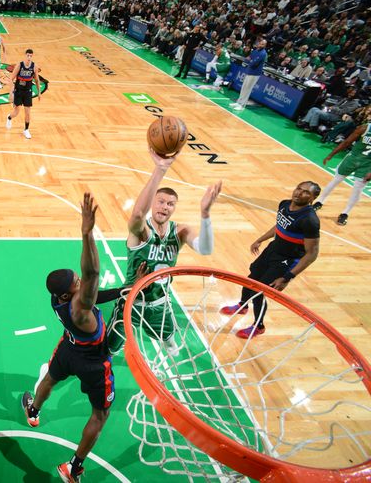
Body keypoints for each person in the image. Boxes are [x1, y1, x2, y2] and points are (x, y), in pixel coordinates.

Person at [20, 193, 138, 483]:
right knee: (100, 415)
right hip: (95, 363)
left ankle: (33, 410)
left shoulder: (59, 302)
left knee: (49, 379)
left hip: (69, 349)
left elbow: (94, 292)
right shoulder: (80, 307)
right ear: (67, 294)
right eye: (76, 282)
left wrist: (126, 289)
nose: (80, 281)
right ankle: (73, 467)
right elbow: (94, 273)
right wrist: (87, 233)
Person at [106, 147, 221, 356]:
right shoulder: (142, 232)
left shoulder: (180, 232)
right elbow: (138, 213)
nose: (165, 207)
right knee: (110, 349)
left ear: (174, 208)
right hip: (131, 300)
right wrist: (160, 169)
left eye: (170, 204)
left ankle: (170, 350)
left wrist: (205, 214)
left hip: (159, 302)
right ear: (152, 203)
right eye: (160, 201)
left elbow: (205, 249)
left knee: (170, 342)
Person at [220, 182, 321, 338]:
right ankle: (243, 305)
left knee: (258, 291)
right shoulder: (284, 204)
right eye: (299, 189)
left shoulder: (309, 220)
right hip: (272, 250)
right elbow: (279, 226)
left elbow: (311, 254)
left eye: (306, 192)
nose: (300, 193)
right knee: (250, 279)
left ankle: (258, 326)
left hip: (286, 261)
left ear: (313, 198)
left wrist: (288, 277)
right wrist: (260, 239)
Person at [314, 123, 371, 226]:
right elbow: (347, 142)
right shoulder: (364, 128)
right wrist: (331, 154)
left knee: (358, 189)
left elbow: (347, 142)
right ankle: (319, 201)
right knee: (336, 180)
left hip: (368, 164)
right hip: (353, 158)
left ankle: (345, 213)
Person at [6, 48, 41, 139]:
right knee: (17, 111)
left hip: (28, 91)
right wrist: (11, 92)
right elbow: (11, 78)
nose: (29, 57)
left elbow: (37, 80)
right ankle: (9, 117)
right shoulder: (19, 65)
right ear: (25, 55)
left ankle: (26, 130)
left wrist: (39, 92)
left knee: (28, 112)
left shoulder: (34, 66)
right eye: (28, 55)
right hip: (19, 90)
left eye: (31, 56)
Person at [230, 39, 267, 111]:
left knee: (248, 89)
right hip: (249, 72)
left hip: (255, 74)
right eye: (260, 43)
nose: (261, 45)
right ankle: (238, 102)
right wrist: (250, 60)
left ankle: (242, 105)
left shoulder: (263, 53)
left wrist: (250, 60)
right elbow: (247, 59)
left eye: (263, 44)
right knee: (244, 87)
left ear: (265, 45)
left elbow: (253, 63)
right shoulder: (255, 51)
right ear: (258, 43)